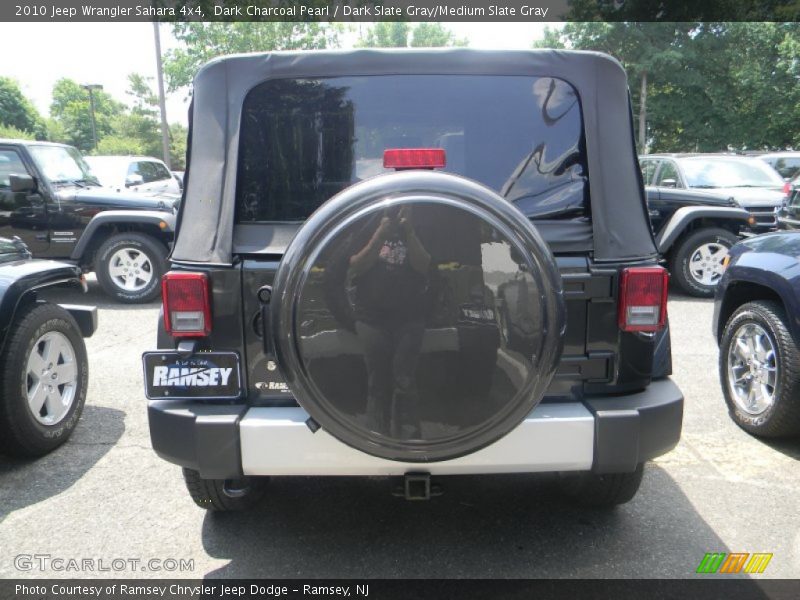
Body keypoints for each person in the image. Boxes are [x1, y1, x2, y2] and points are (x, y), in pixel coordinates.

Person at [348, 206, 431, 439]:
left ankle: (410, 440)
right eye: (393, 210)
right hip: (372, 318)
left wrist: (410, 232)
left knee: (405, 380)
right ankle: (377, 439)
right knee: (377, 381)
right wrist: (379, 235)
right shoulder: (368, 226)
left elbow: (424, 264)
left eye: (403, 209)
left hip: (410, 318)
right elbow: (356, 265)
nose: (397, 214)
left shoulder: (418, 229)